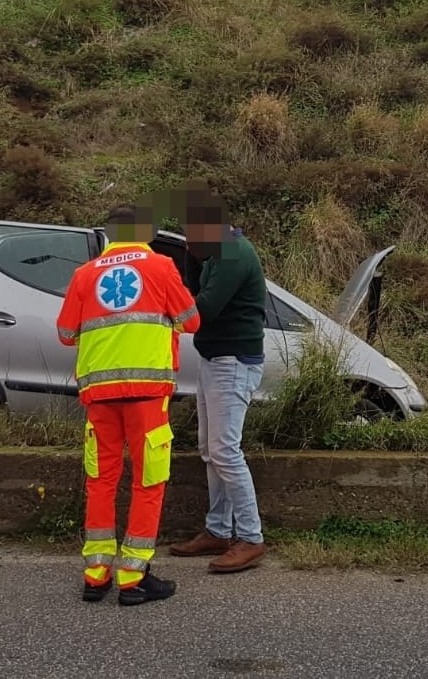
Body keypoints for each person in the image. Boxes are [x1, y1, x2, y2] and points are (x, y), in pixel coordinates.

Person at [56, 202, 200, 605]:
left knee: (100, 481)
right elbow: (191, 320)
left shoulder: (84, 274)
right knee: (147, 481)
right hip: (147, 393)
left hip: (99, 394)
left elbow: (66, 333)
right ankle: (133, 578)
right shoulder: (161, 267)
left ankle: (96, 575)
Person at [169, 183, 269, 573]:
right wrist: (193, 259)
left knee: (226, 450)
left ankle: (251, 538)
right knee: (210, 451)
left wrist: (168, 311)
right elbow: (196, 292)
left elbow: (203, 309)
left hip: (233, 360)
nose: (190, 238)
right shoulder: (215, 253)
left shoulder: (232, 254)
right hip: (215, 358)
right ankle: (217, 530)